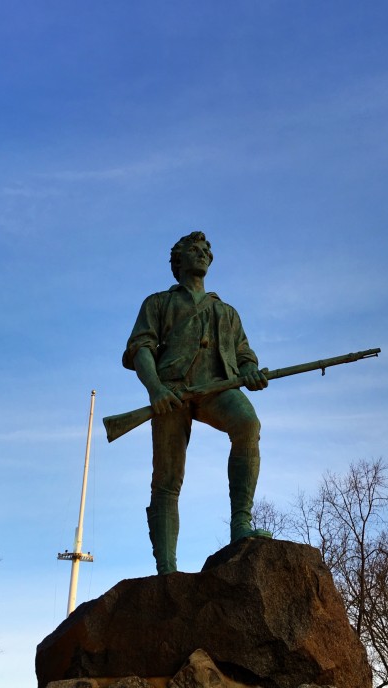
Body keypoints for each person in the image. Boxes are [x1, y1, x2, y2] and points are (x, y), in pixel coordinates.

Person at [122, 231, 272, 574]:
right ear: (178, 261)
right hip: (171, 393)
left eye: (207, 250)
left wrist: (251, 373)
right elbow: (140, 349)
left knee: (248, 423)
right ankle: (167, 567)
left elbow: (245, 356)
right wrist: (156, 389)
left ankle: (240, 525)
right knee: (167, 479)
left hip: (216, 388)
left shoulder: (227, 312)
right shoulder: (158, 303)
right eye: (195, 249)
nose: (203, 253)